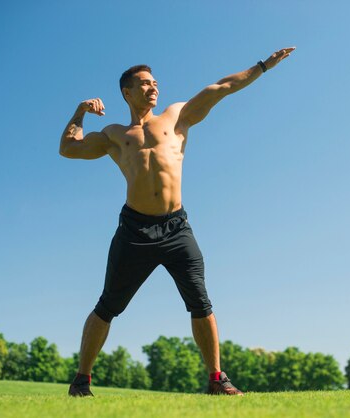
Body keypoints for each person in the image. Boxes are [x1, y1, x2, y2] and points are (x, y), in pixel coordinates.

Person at [60, 47, 296, 396]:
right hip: (134, 229)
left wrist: (262, 66)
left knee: (201, 302)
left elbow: (222, 88)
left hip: (176, 228)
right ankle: (81, 381)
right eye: (144, 83)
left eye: (155, 82)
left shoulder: (176, 116)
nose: (153, 87)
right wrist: (80, 111)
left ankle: (217, 379)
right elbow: (69, 147)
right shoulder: (114, 134)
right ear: (127, 92)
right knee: (108, 305)